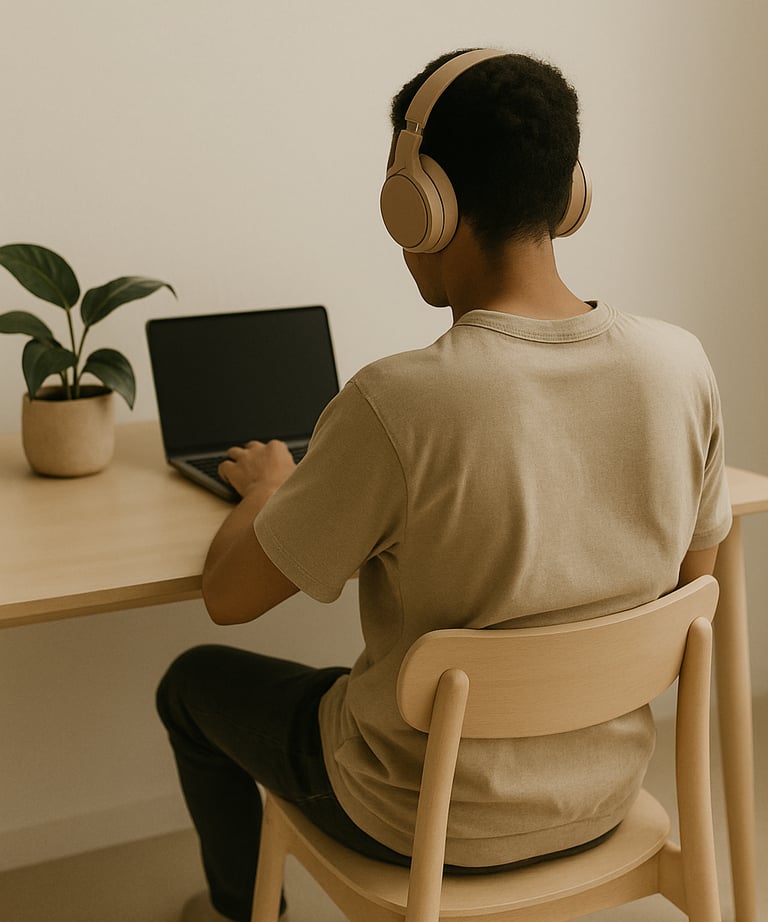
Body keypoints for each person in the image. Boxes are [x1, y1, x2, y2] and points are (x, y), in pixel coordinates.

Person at [157, 48, 732, 922]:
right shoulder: (681, 365)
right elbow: (697, 591)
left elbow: (229, 598)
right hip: (604, 797)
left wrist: (272, 486)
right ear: (565, 191)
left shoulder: (398, 403)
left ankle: (242, 913)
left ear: (423, 204)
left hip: (420, 821)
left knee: (192, 682)